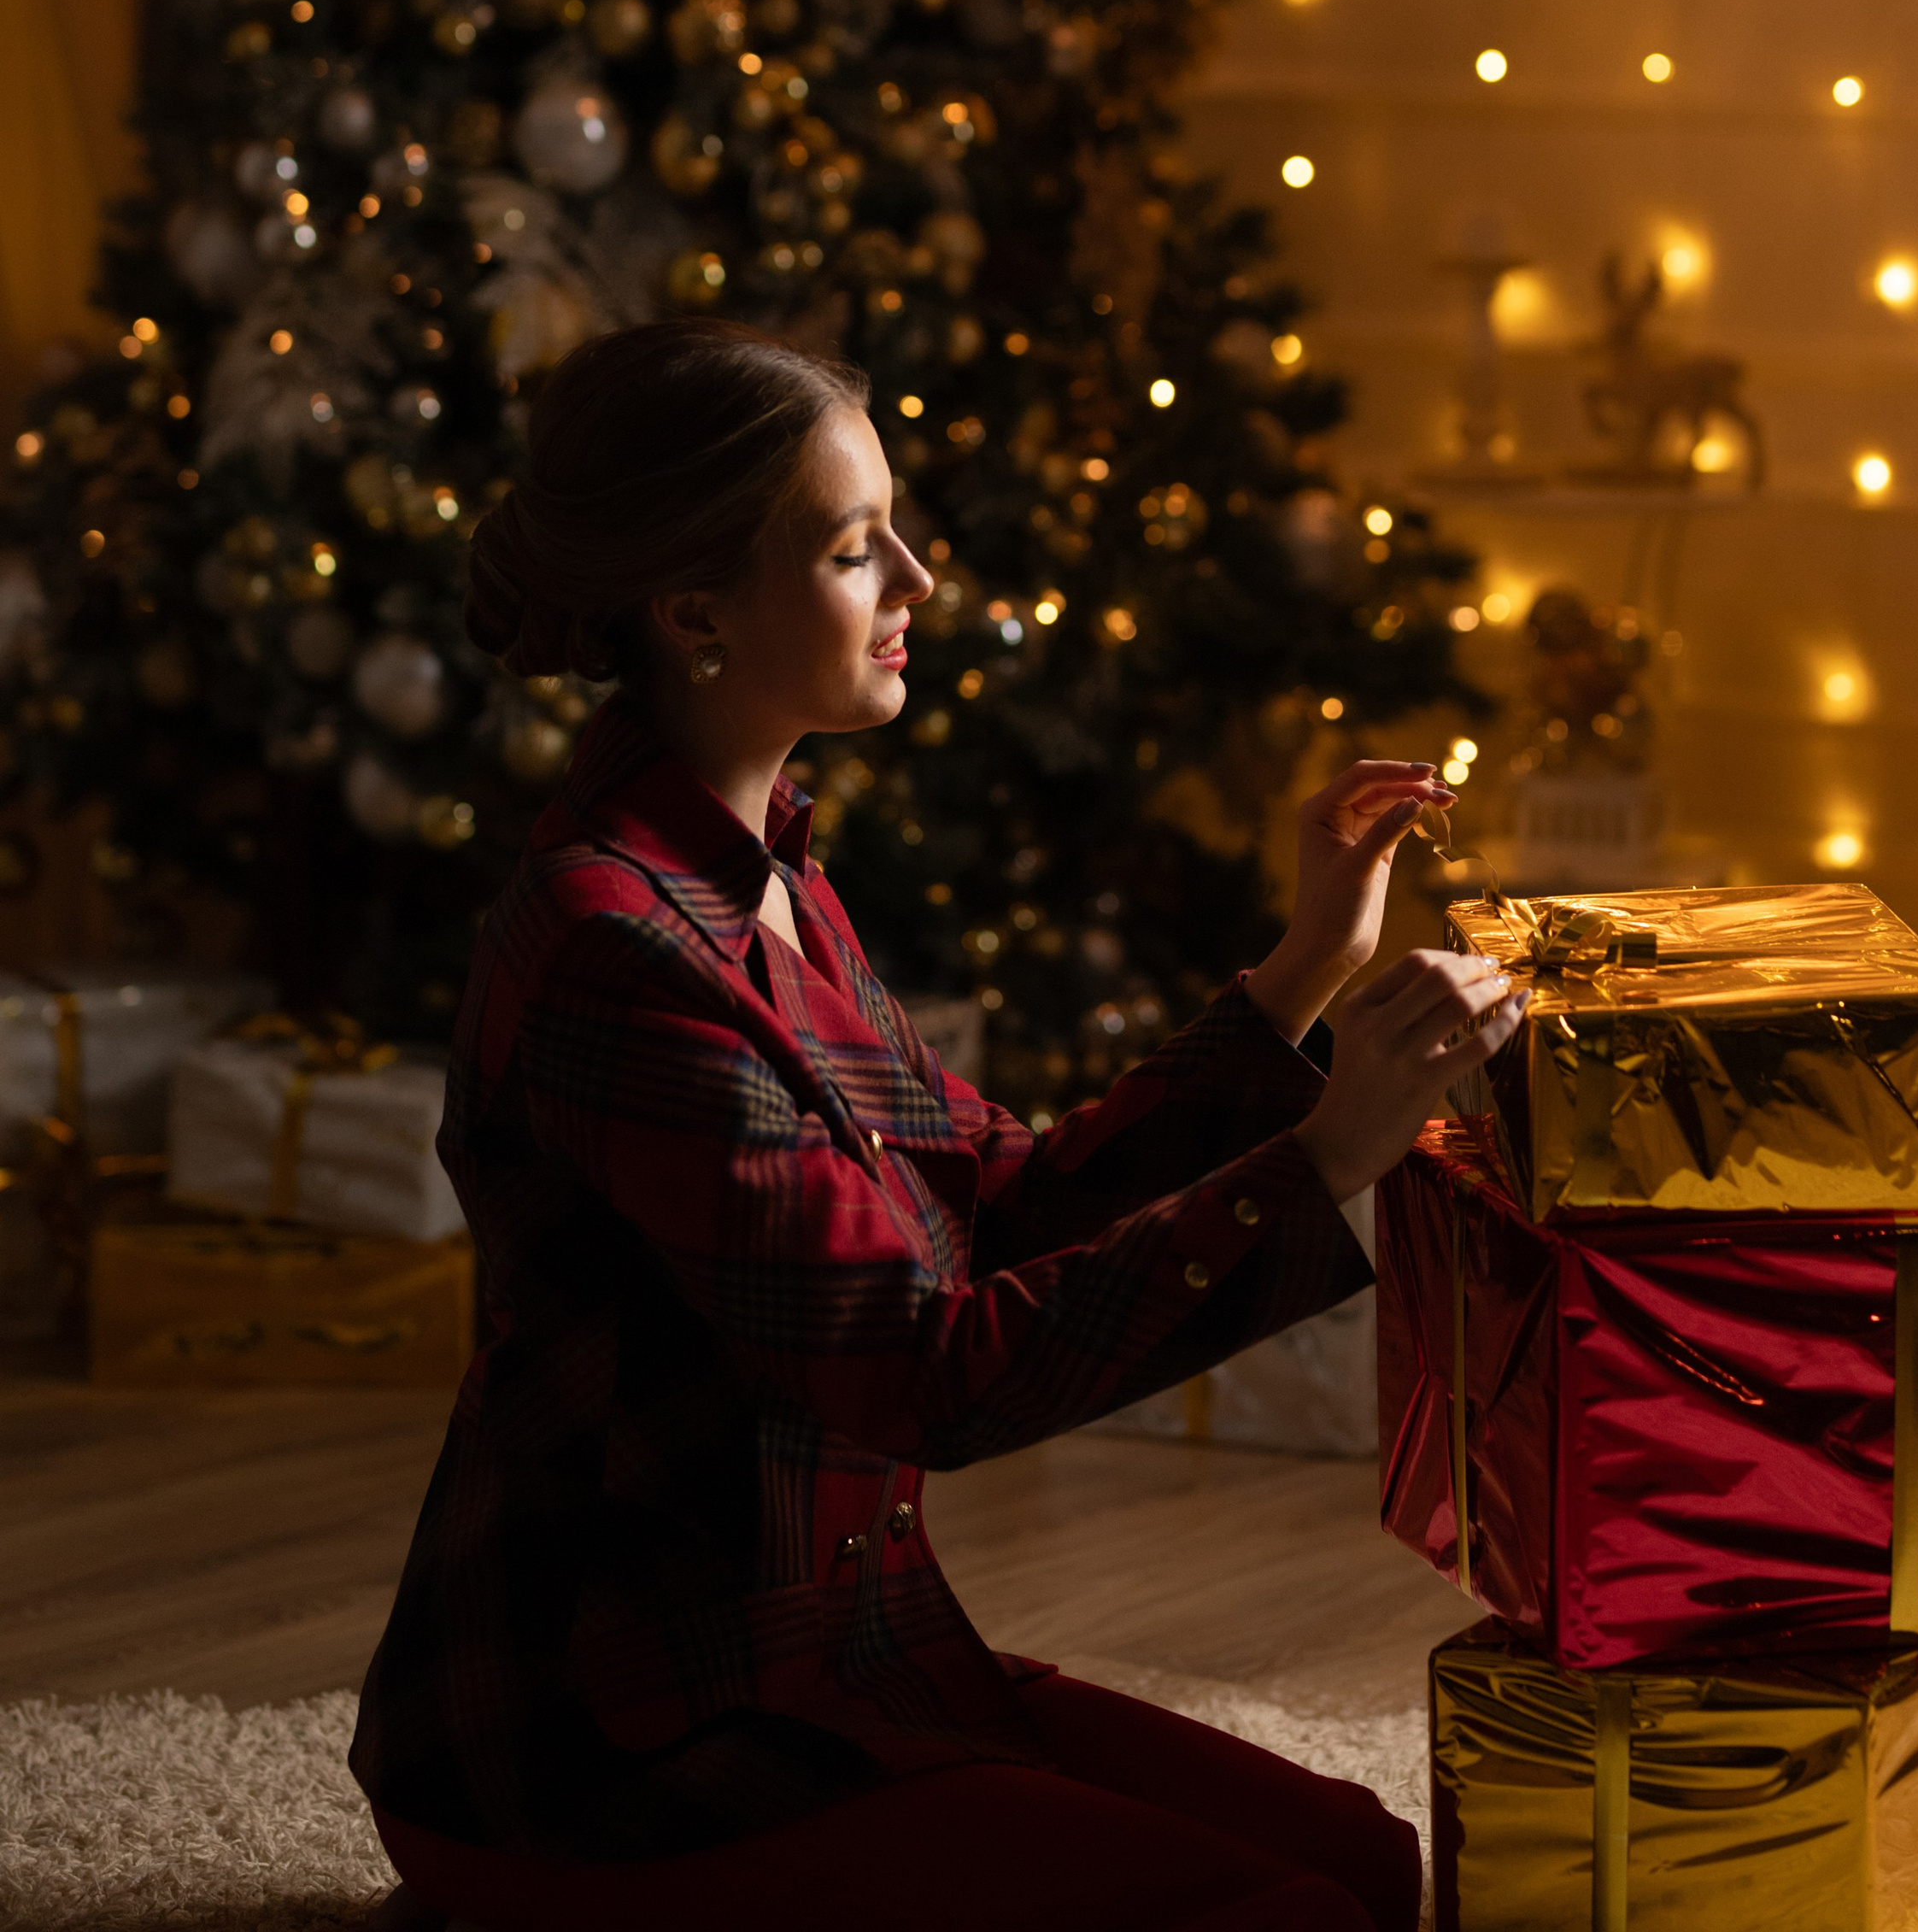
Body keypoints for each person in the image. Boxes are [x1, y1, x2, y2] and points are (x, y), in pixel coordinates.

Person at [354, 320, 1525, 1932]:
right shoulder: (606, 946)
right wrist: (1331, 1159)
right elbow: (931, 1371)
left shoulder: (768, 874)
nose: (915, 576)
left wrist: (1306, 964)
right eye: (854, 548)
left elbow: (1007, 1196)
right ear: (695, 611)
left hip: (838, 1661)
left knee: (1361, 1860)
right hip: (599, 1749)